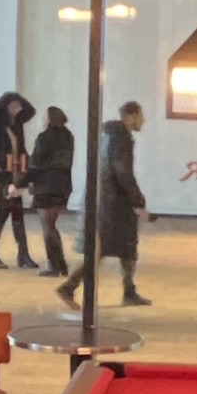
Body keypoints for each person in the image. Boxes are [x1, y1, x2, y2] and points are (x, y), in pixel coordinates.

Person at [59, 97, 153, 308]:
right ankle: (69, 287)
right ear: (131, 116)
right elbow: (123, 172)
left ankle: (129, 291)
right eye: (140, 116)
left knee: (122, 248)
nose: (143, 121)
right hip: (114, 204)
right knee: (105, 249)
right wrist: (137, 200)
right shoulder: (120, 138)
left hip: (103, 200)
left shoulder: (106, 136)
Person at [0, 89, 37, 269]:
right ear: (4, 106)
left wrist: (19, 100)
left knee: (18, 213)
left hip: (15, 174)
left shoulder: (16, 124)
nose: (17, 110)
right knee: (2, 213)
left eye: (18, 107)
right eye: (13, 106)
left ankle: (23, 254)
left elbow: (31, 111)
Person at [27, 102, 76, 282]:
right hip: (62, 186)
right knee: (52, 225)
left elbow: (36, 163)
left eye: (44, 116)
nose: (42, 119)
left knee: (47, 226)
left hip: (45, 186)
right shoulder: (68, 136)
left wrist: (25, 182)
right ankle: (60, 263)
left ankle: (54, 265)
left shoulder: (44, 137)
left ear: (49, 119)